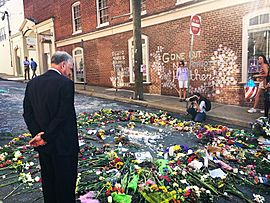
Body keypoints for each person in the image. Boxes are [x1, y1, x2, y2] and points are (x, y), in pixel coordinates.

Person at [23, 51, 79, 203]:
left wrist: (38, 135)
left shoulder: (33, 83)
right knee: (65, 187)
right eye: (70, 67)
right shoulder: (66, 84)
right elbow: (62, 115)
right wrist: (45, 136)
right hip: (64, 147)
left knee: (49, 184)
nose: (70, 72)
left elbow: (27, 114)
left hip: (44, 147)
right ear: (63, 65)